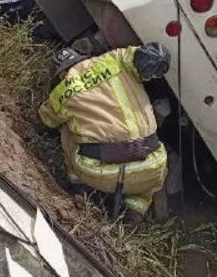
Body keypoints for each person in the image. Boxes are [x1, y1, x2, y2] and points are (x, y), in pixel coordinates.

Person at [39, 43, 171, 226]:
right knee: (156, 169)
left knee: (68, 128)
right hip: (151, 167)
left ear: (60, 73)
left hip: (100, 174)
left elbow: (47, 121)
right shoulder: (113, 60)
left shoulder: (61, 91)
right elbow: (142, 56)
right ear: (82, 56)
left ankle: (78, 187)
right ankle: (135, 209)